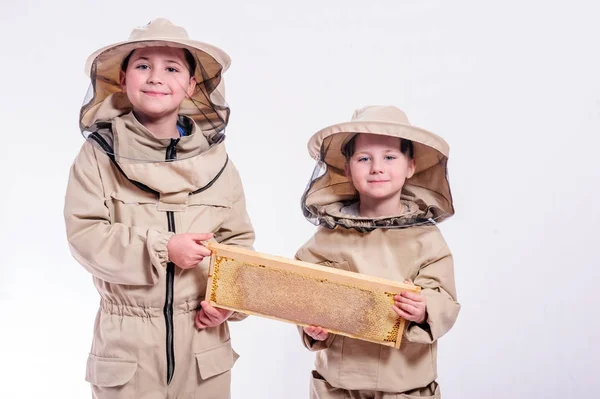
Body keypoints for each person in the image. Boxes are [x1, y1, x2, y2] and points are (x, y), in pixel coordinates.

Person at [64, 18, 254, 398]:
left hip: (203, 344)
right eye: (142, 65)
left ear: (190, 86)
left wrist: (227, 305)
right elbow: (85, 235)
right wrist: (164, 248)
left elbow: (239, 247)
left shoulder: (219, 163)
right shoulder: (97, 156)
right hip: (127, 346)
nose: (155, 77)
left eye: (171, 68)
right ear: (122, 79)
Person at [296, 105, 460, 398]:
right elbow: (300, 293)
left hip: (405, 385)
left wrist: (425, 309)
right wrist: (312, 329)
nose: (377, 167)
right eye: (364, 158)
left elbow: (445, 299)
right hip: (338, 386)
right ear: (347, 168)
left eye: (389, 157)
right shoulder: (328, 236)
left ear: (410, 165)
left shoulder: (427, 238)